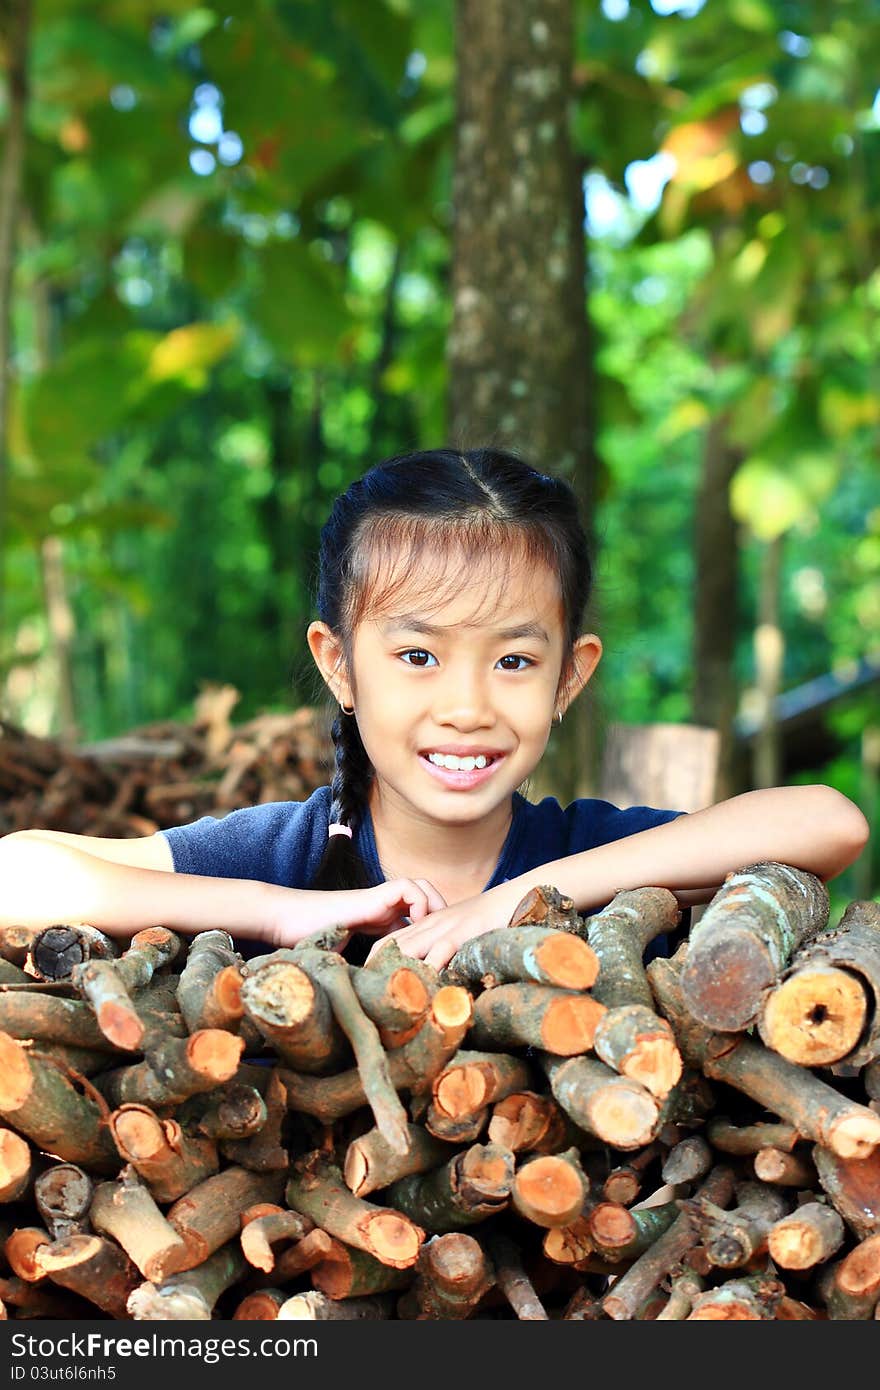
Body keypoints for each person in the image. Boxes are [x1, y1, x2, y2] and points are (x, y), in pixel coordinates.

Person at [0, 448, 869, 971]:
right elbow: (17, 873)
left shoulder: (588, 856)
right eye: (417, 656)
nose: (466, 706)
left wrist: (515, 900)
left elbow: (827, 823)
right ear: (338, 665)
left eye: (516, 660)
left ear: (570, 677)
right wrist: (275, 910)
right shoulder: (289, 857)